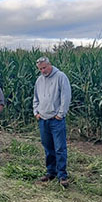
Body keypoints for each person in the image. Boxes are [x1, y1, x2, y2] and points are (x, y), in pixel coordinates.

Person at [33, 56, 72, 188]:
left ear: (50, 65)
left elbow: (66, 96)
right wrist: (36, 112)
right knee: (48, 147)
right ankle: (51, 172)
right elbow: (36, 97)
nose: (43, 71)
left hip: (56, 120)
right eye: (40, 69)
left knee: (60, 148)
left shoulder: (60, 77)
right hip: (43, 119)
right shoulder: (39, 80)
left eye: (44, 67)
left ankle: (62, 175)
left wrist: (61, 114)